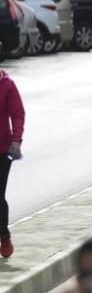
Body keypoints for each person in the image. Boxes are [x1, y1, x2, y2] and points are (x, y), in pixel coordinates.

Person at [0, 67, 23, 258]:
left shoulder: (7, 84)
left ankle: (4, 235)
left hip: (2, 149)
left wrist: (16, 140)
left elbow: (17, 113)